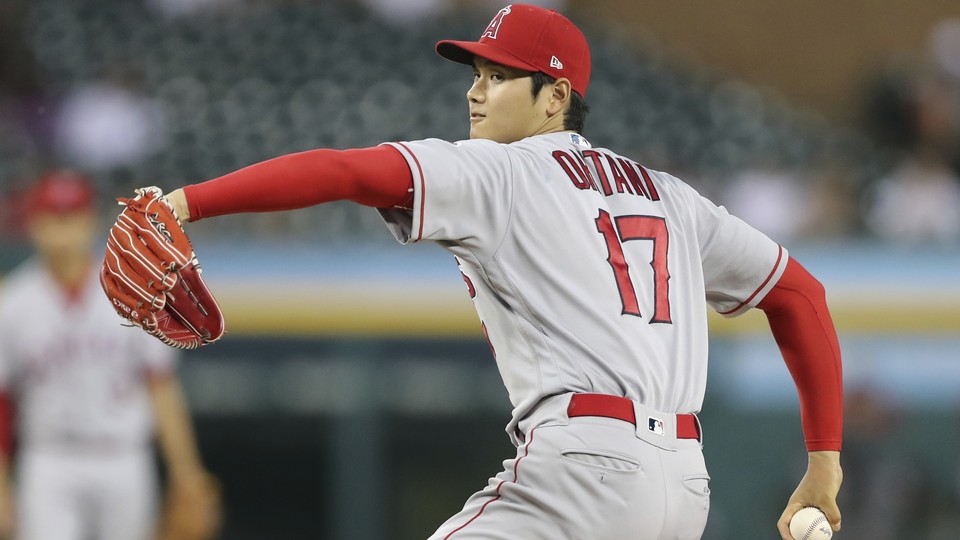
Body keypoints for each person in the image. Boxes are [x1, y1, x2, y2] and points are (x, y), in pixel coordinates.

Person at [117, 4, 843, 539]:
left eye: (499, 77)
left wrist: (185, 202)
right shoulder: (674, 198)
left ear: (556, 98)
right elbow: (800, 296)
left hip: (579, 470)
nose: (475, 90)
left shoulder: (500, 172)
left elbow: (342, 170)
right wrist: (824, 464)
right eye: (477, 73)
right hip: (685, 485)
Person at [0, 171, 220, 540]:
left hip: (123, 456)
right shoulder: (13, 304)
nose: (62, 228)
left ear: (89, 221)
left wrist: (186, 472)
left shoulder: (132, 289)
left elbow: (160, 387)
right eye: (53, 216)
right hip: (49, 458)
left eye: (71, 216)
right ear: (34, 223)